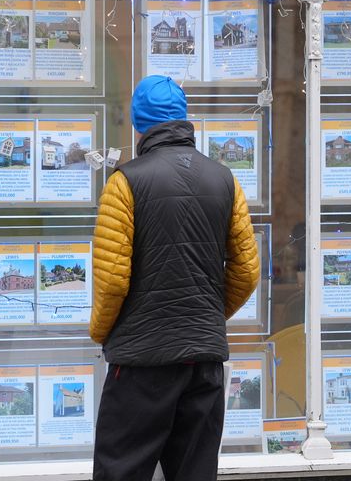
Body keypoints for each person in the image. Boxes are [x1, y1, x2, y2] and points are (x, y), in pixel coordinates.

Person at [89, 75, 261, 481]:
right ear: (185, 120)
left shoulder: (124, 182)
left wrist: (102, 332)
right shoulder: (226, 179)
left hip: (140, 363)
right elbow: (248, 270)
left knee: (121, 473)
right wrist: (207, 314)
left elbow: (112, 280)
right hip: (204, 362)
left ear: (137, 125)